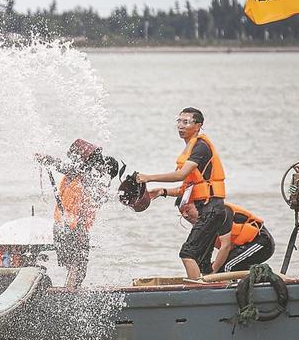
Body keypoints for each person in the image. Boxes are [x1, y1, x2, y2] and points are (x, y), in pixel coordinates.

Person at [137, 107, 227, 280]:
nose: (181, 126)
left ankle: (197, 294)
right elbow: (185, 189)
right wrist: (162, 191)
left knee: (188, 253)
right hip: (209, 209)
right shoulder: (191, 148)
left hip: (212, 209)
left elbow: (181, 175)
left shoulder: (200, 147)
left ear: (198, 125)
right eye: (179, 121)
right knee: (203, 261)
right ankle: (216, 290)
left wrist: (149, 177)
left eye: (186, 122)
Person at [36, 139, 118, 287]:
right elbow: (61, 165)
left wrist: (47, 159)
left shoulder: (88, 178)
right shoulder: (80, 173)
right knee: (78, 267)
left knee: (75, 267)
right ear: (101, 168)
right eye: (105, 173)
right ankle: (69, 294)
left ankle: (69, 292)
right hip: (72, 228)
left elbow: (61, 166)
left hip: (64, 227)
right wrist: (47, 159)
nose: (105, 177)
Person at [180, 201, 275, 274]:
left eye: (187, 210)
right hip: (240, 247)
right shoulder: (202, 225)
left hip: (261, 242)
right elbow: (203, 253)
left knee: (226, 267)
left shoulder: (221, 212)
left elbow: (226, 246)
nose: (185, 215)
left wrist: (214, 270)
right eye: (181, 213)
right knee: (216, 268)